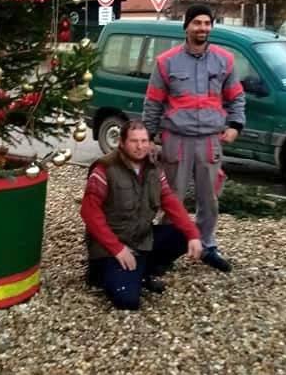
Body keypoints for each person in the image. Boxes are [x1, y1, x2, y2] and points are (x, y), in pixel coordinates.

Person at [142, 3, 245, 273]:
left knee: (209, 198)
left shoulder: (225, 60)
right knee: (172, 197)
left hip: (210, 141)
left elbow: (236, 96)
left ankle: (207, 245)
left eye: (207, 23)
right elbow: (153, 102)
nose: (202, 28)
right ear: (186, 26)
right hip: (176, 139)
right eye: (197, 22)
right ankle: (165, 251)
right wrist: (150, 138)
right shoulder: (166, 62)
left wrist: (235, 125)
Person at [80, 119, 202, 310]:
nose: (140, 147)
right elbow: (89, 212)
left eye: (144, 141)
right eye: (134, 141)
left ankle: (141, 270)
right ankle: (102, 273)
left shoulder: (153, 168)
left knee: (182, 235)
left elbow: (169, 201)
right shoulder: (105, 169)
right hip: (110, 245)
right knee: (127, 301)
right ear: (121, 142)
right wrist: (117, 248)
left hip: (140, 238)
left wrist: (192, 234)